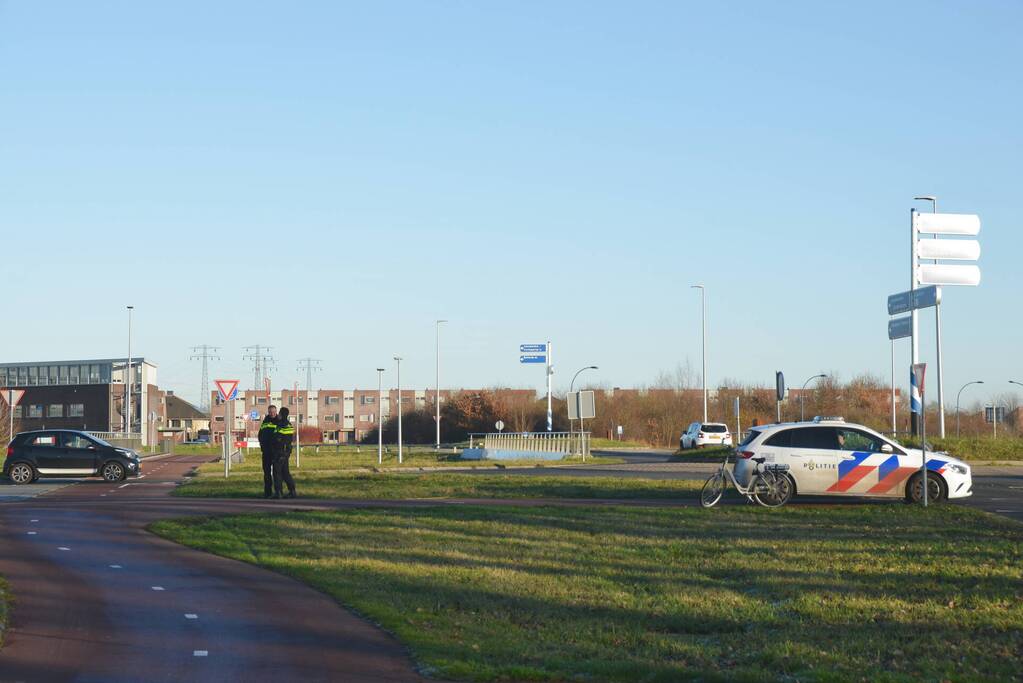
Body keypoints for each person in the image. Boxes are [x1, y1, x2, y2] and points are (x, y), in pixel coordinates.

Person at [272, 407, 297, 499]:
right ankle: (292, 491)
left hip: (279, 451)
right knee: (285, 472)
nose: (278, 415)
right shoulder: (289, 425)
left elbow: (277, 438)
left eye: (279, 413)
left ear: (281, 414)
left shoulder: (281, 425)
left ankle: (278, 492)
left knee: (277, 472)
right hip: (286, 452)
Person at [258, 405, 278, 498]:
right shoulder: (265, 421)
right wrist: (262, 444)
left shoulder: (279, 421)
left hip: (275, 451)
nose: (272, 414)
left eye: (274, 412)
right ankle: (267, 493)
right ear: (268, 412)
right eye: (270, 412)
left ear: (276, 412)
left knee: (276, 473)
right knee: (266, 473)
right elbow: (260, 434)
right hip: (266, 451)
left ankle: (278, 492)